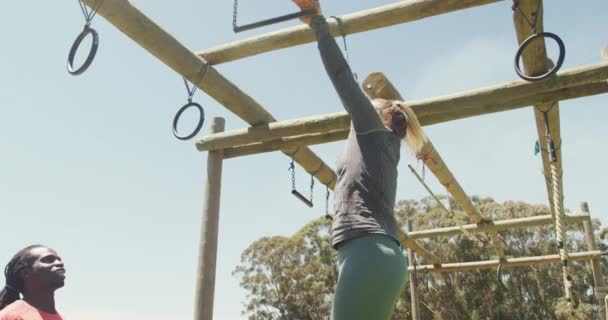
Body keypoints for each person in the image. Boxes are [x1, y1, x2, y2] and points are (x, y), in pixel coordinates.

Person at [291, 1, 428, 319]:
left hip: (367, 252)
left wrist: (318, 24)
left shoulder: (370, 128)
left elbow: (342, 78)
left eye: (369, 103)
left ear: (379, 115)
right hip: (381, 256)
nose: (361, 104)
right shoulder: (383, 144)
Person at [0, 245, 66, 320]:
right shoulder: (12, 316)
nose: (60, 263)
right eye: (48, 260)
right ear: (25, 273)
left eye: (59, 259)